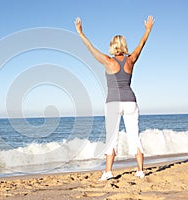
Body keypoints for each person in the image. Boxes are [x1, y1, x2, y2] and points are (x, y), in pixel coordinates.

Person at [75, 16, 155, 180]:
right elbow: (141, 45)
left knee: (112, 138)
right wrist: (147, 30)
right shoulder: (131, 60)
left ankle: (108, 172)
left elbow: (90, 47)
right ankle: (140, 170)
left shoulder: (107, 60)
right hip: (130, 101)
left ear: (112, 46)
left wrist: (80, 32)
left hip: (113, 102)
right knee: (134, 136)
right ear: (124, 46)